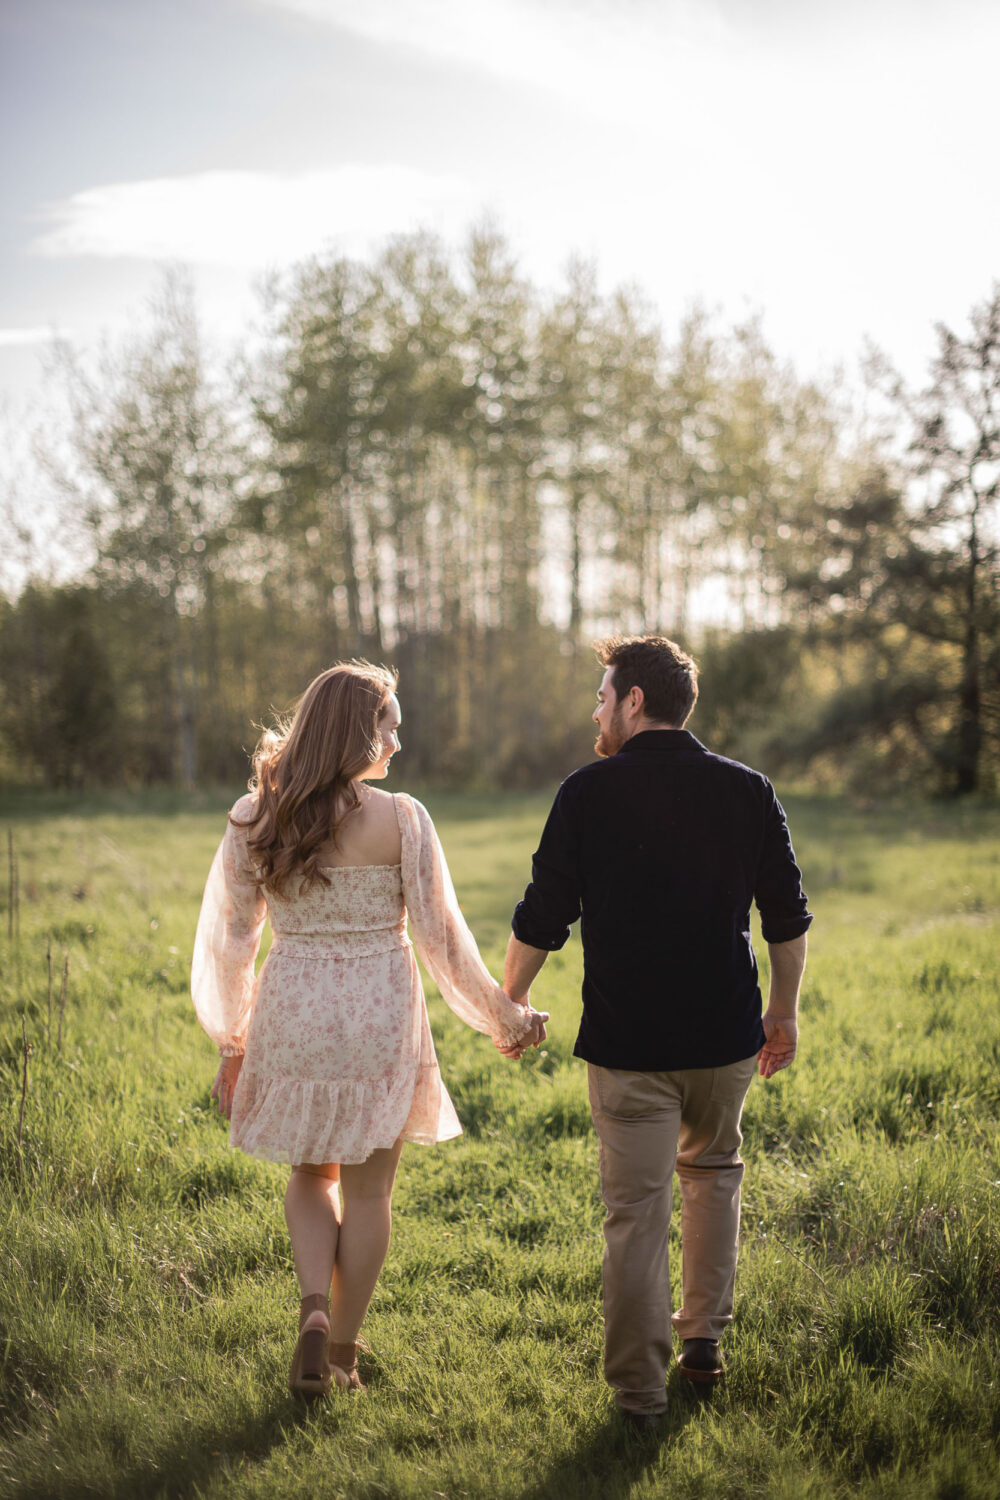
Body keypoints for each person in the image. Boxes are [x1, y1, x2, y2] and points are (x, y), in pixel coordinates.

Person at [191, 661, 547, 1399]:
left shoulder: (257, 815)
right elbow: (444, 941)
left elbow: (229, 942)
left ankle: (314, 1311)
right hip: (379, 1017)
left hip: (294, 1013)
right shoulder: (403, 819)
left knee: (309, 1173)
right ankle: (344, 1356)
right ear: (358, 730)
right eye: (389, 726)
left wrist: (232, 1040)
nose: (397, 743)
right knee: (372, 1195)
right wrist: (504, 1016)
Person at [499, 635, 811, 1428]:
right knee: (714, 1176)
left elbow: (544, 915)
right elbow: (786, 918)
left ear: (635, 700)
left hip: (629, 1047)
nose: (595, 710)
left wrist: (509, 1003)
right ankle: (703, 1340)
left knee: (635, 1215)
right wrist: (783, 1010)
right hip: (726, 1038)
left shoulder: (587, 792)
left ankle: (640, 1396)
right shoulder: (749, 790)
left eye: (602, 696)